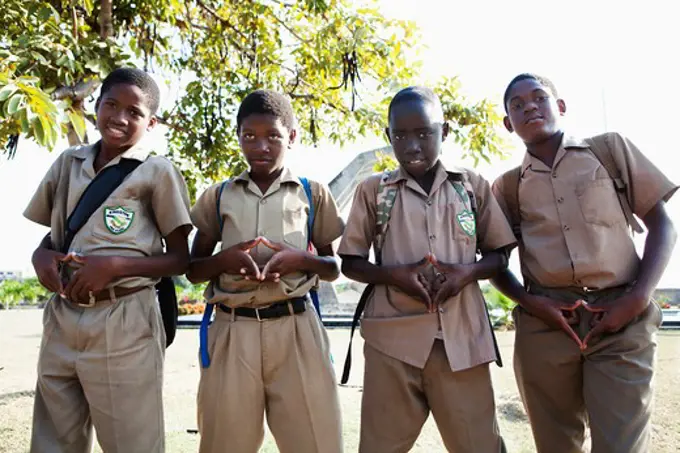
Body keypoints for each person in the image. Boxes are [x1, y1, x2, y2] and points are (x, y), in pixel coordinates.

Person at [491, 73, 678, 453]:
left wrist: (638, 298)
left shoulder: (609, 151)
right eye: (516, 104)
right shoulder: (507, 187)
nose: (529, 105)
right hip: (547, 325)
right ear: (508, 124)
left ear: (560, 107)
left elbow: (662, 223)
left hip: (621, 318)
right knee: (556, 444)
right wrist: (531, 303)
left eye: (539, 97)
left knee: (621, 445)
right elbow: (494, 259)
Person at [24, 67, 192, 453]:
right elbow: (55, 236)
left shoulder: (157, 171)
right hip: (63, 318)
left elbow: (180, 259)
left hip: (125, 319)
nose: (119, 117)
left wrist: (116, 267)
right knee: (52, 441)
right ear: (95, 107)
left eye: (134, 112)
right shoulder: (69, 163)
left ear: (150, 123)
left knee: (132, 443)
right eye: (111, 105)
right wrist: (40, 256)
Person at [338, 86, 514, 452]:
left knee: (479, 445)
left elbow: (499, 254)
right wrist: (394, 276)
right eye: (400, 135)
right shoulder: (375, 190)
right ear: (388, 137)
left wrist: (465, 273)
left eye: (424, 133)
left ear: (444, 132)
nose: (412, 145)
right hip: (392, 342)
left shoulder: (471, 186)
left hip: (462, 342)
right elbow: (352, 262)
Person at [187, 89, 344, 453]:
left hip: (296, 329)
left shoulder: (311, 193)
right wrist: (226, 260)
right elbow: (193, 269)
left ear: (291, 136)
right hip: (232, 329)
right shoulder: (219, 195)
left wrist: (299, 260)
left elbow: (334, 267)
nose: (261, 146)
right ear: (239, 137)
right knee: (224, 442)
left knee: (316, 441)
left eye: (273, 135)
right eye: (250, 136)